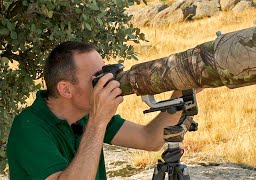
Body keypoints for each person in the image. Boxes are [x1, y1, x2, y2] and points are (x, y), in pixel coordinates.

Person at [6, 41, 196, 179]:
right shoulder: (29, 129)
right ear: (66, 89)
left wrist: (185, 88)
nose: (107, 82)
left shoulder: (85, 114)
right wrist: (97, 122)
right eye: (97, 78)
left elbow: (150, 139)